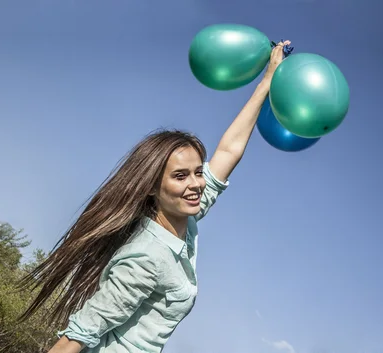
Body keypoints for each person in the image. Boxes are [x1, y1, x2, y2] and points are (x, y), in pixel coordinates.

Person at [19, 40, 291, 353]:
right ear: (152, 187)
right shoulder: (147, 256)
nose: (196, 184)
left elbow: (228, 151)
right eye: (180, 176)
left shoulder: (185, 215)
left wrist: (267, 82)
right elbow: (77, 337)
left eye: (197, 172)